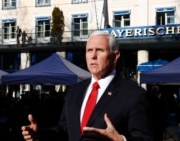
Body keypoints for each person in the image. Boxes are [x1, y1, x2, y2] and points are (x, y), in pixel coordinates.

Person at [21, 31, 153, 141]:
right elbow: (64, 130)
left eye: (100, 50)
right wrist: (40, 134)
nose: (93, 56)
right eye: (89, 50)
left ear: (115, 56)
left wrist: (121, 140)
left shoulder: (133, 94)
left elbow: (145, 138)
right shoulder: (74, 91)